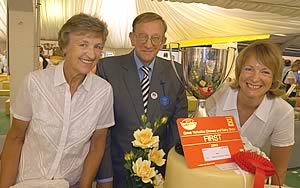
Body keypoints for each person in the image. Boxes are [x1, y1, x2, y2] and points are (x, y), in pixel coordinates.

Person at [0, 13, 114, 188]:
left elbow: (98, 144)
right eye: (83, 44)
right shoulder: (35, 83)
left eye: (98, 46)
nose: (91, 54)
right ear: (65, 47)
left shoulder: (103, 92)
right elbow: (15, 138)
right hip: (28, 181)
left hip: (70, 183)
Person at [95, 12, 188, 188]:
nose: (148, 44)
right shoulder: (108, 68)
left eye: (155, 38)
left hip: (159, 175)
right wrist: (104, 177)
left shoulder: (176, 72)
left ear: (163, 41)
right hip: (117, 174)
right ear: (132, 38)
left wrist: (171, 170)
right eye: (142, 37)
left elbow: (178, 127)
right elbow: (101, 132)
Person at [206, 40, 294, 185]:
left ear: (274, 79)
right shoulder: (218, 93)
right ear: (239, 71)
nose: (255, 78)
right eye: (248, 69)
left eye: (265, 72)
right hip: (209, 178)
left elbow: (279, 170)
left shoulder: (283, 111)